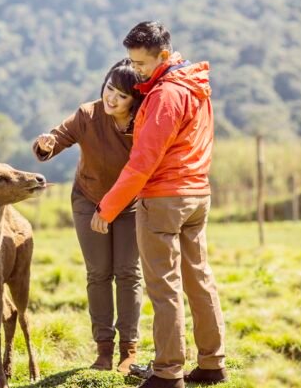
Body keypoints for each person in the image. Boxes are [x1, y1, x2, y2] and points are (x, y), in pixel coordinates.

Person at [91, 22, 227, 388]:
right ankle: (213, 364)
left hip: (164, 197)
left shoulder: (166, 95)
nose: (135, 72)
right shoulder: (195, 86)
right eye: (133, 63)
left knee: (164, 286)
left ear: (164, 56)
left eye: (141, 65)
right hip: (198, 192)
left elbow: (142, 161)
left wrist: (108, 207)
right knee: (199, 278)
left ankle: (167, 372)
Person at [32, 59, 144, 375]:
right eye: (109, 89)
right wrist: (46, 145)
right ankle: (104, 350)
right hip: (89, 200)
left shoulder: (145, 122)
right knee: (98, 273)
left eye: (121, 96)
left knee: (128, 272)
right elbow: (58, 136)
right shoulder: (88, 114)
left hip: (130, 204)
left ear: (134, 101)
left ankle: (129, 351)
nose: (111, 98)